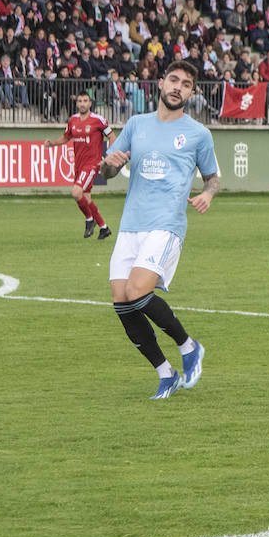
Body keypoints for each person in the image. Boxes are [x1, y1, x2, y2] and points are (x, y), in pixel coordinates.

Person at [99, 60, 219, 399]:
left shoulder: (199, 134)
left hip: (166, 224)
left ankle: (188, 346)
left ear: (192, 93)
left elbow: (213, 177)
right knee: (122, 301)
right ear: (161, 83)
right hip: (130, 224)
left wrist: (208, 194)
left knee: (137, 290)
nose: (178, 87)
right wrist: (109, 165)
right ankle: (166, 374)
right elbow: (105, 172)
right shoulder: (136, 125)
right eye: (173, 79)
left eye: (186, 83)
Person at [45, 91, 114, 239]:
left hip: (92, 163)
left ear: (90, 103)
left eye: (85, 101)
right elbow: (66, 137)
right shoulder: (73, 120)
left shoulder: (99, 120)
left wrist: (108, 157)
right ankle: (104, 227)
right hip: (79, 164)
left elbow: (112, 136)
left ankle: (89, 220)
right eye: (80, 101)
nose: (82, 104)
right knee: (86, 198)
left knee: (76, 193)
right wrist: (53, 144)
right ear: (77, 103)